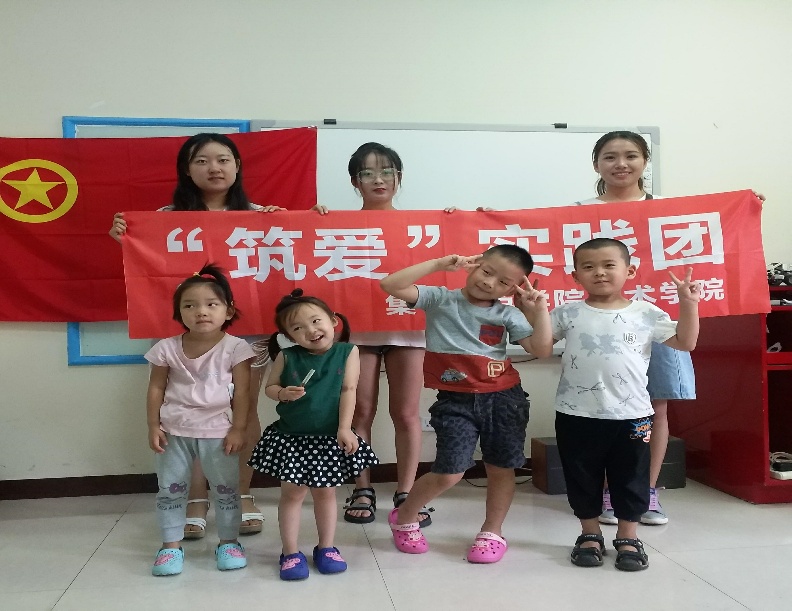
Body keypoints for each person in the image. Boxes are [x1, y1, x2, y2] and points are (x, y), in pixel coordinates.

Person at [110, 133, 285, 538]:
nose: (214, 168)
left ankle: (240, 492)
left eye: (223, 159)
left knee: (243, 410)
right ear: (187, 170)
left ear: (237, 166)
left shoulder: (262, 216)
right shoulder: (165, 217)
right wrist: (126, 238)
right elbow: (149, 271)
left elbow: (293, 255)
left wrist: (300, 221)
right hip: (186, 332)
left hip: (246, 329)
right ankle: (196, 497)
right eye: (201, 160)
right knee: (184, 408)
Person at [381, 244, 552, 563]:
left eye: (503, 282)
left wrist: (539, 310)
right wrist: (440, 263)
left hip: (505, 399)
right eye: (487, 271)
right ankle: (404, 516)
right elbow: (390, 284)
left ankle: (492, 531)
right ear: (474, 265)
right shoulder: (440, 298)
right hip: (455, 401)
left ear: (512, 289)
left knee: (502, 468)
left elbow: (541, 349)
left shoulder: (507, 314)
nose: (489, 282)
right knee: (450, 471)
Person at [552, 238, 699, 571]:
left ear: (630, 271)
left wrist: (688, 304)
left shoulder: (646, 313)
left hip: (633, 414)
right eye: (588, 267)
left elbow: (686, 341)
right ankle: (589, 534)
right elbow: (542, 346)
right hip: (576, 412)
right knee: (581, 476)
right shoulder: (567, 313)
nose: (599, 273)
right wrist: (532, 310)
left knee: (632, 477)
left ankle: (628, 536)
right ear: (575, 276)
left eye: (609, 265)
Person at [575, 131, 696, 526]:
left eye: (631, 155)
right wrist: (480, 220)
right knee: (602, 406)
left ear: (645, 161)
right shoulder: (574, 213)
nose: (621, 164)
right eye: (610, 157)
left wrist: (746, 207)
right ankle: (609, 495)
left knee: (654, 406)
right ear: (597, 164)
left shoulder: (671, 211)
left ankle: (646, 491)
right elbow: (531, 238)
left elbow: (720, 241)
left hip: (654, 320)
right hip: (600, 323)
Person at [312, 142, 431, 526]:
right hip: (357, 328)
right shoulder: (336, 224)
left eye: (386, 171)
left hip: (407, 326)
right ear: (355, 182)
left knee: (407, 413)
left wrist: (457, 222)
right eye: (367, 173)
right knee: (359, 410)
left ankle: (407, 492)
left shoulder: (423, 226)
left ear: (399, 177)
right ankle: (361, 488)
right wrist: (310, 222)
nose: (378, 179)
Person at [248, 290, 378, 580]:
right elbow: (270, 388)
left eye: (316, 321)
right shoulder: (286, 356)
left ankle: (326, 547)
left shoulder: (348, 351)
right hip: (292, 438)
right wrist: (282, 393)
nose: (310, 330)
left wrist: (344, 428)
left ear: (333, 321)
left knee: (326, 493)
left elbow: (349, 389)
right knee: (292, 494)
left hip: (329, 438)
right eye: (298, 328)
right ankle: (290, 552)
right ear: (289, 336)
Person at [146, 264, 255, 576]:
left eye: (211, 304)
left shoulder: (236, 348)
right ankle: (170, 546)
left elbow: (243, 393)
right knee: (170, 489)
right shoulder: (166, 348)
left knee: (226, 489)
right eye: (190, 306)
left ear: (228, 310)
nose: (201, 312)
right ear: (179, 313)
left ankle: (229, 542)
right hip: (173, 431)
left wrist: (238, 428)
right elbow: (156, 388)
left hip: (219, 431)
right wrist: (153, 425)